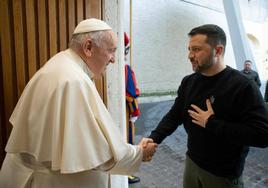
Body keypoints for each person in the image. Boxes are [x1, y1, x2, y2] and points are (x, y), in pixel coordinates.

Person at [0, 18, 157, 188]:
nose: (113, 59)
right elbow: (99, 154)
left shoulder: (60, 63)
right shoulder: (74, 80)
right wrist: (139, 153)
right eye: (111, 51)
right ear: (88, 47)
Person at [148, 24, 268, 188]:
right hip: (192, 163)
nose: (190, 55)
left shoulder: (243, 86)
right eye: (189, 49)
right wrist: (154, 138)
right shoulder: (189, 81)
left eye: (196, 49)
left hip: (223, 175)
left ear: (218, 51)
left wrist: (211, 123)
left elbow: (262, 135)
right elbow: (175, 114)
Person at [124, 32, 141, 184]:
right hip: (125, 111)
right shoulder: (126, 69)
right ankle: (127, 173)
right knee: (128, 140)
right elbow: (132, 93)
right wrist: (135, 112)